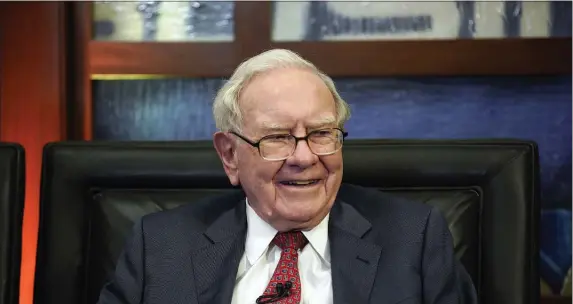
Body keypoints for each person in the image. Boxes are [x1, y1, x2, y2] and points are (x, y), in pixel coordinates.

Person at [97, 49, 477, 304]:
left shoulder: (415, 238)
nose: (305, 157)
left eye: (322, 133)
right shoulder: (161, 246)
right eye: (278, 137)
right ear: (230, 155)